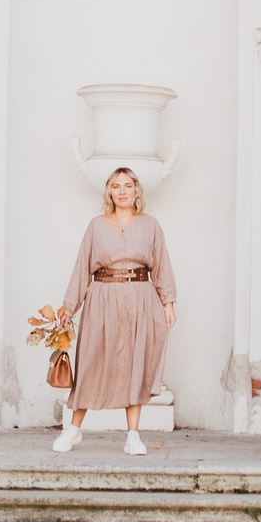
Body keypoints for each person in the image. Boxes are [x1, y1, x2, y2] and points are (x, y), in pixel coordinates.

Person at [52, 166, 176, 455]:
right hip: (102, 299)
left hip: (140, 300)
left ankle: (133, 435)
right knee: (91, 361)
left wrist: (168, 303)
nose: (122, 191)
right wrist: (68, 308)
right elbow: (82, 268)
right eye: (116, 186)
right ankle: (73, 429)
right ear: (109, 191)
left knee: (135, 364)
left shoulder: (150, 226)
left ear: (136, 191)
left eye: (127, 186)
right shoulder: (96, 226)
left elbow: (162, 265)